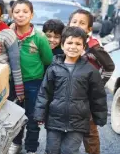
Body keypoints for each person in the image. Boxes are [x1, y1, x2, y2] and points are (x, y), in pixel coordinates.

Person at [34, 26, 108, 154]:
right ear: (62, 46)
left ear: (83, 48)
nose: (73, 46)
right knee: (52, 150)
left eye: (78, 43)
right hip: (55, 120)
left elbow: (98, 96)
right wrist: (39, 114)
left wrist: (100, 116)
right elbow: (44, 92)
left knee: (69, 151)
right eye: (69, 42)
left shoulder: (90, 70)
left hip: (78, 122)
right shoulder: (53, 68)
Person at [8, 0, 53, 154]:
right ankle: (16, 143)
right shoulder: (8, 35)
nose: (21, 15)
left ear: (32, 15)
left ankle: (31, 147)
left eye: (25, 12)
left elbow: (48, 60)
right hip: (12, 82)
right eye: (17, 11)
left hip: (34, 83)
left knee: (33, 117)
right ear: (12, 14)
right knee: (15, 116)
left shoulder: (39, 37)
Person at [68, 9, 114, 154]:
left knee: (89, 131)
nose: (77, 25)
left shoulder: (94, 47)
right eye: (74, 22)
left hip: (88, 97)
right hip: (69, 94)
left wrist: (98, 85)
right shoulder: (67, 42)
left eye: (82, 23)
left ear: (89, 29)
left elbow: (109, 67)